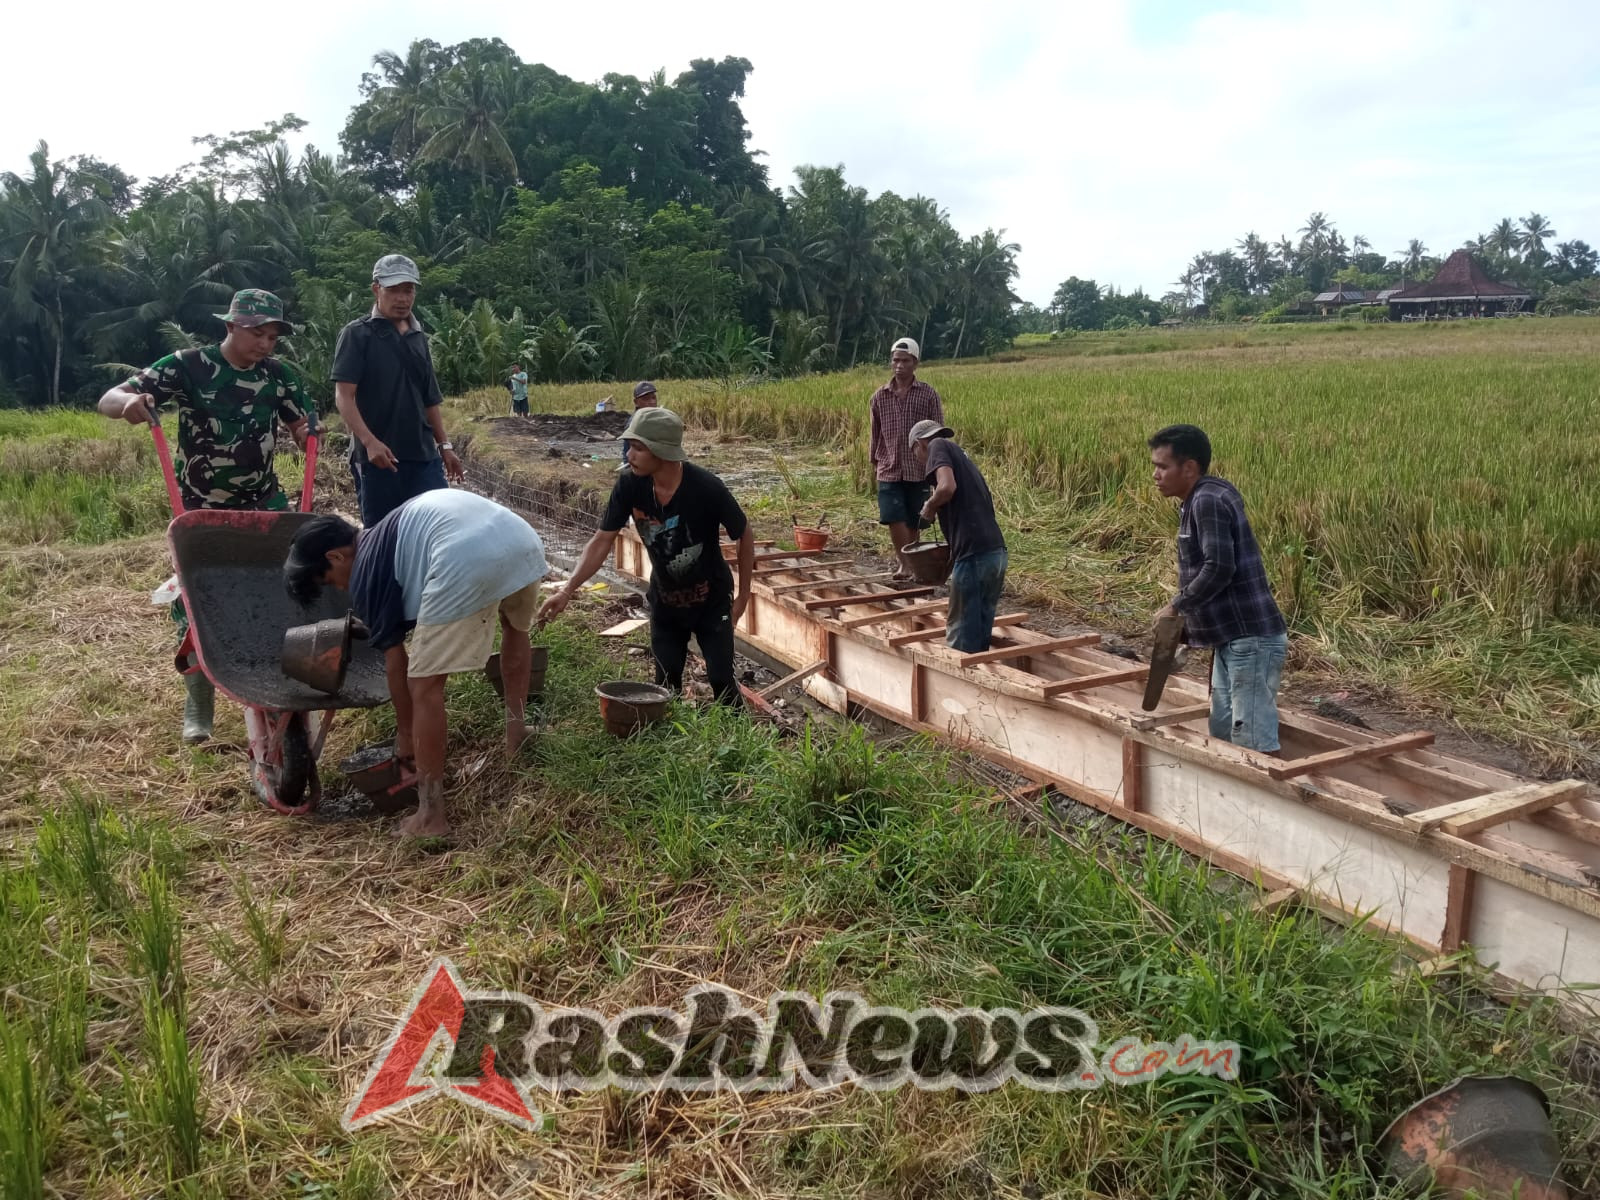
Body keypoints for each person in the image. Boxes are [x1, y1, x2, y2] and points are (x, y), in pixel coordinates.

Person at [99, 287, 311, 745]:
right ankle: (199, 695)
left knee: (290, 582)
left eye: (273, 336)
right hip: (200, 502)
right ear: (231, 325)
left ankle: (285, 677)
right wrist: (132, 405)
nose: (265, 343)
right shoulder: (187, 365)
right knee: (194, 598)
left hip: (263, 500)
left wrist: (303, 430)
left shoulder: (279, 375)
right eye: (257, 332)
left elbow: (302, 422)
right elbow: (110, 398)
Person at [282, 490, 548, 838]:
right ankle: (517, 735)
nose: (340, 586)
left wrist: (406, 734)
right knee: (516, 629)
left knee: (424, 685)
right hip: (521, 539)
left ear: (336, 555)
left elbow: (397, 663)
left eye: (331, 579)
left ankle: (430, 815)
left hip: (465, 557)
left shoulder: (365, 573)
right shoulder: (386, 531)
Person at [541, 408, 753, 705]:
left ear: (661, 451)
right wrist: (567, 590)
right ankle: (673, 744)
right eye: (630, 446)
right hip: (665, 601)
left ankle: (737, 748)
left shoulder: (706, 488)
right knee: (665, 685)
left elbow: (744, 533)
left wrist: (743, 597)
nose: (629, 455)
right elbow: (602, 539)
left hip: (711, 600)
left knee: (722, 681)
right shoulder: (630, 486)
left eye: (638, 448)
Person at [1148, 424, 1288, 755]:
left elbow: (1219, 568)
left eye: (1163, 466)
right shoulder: (1197, 499)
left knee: (1252, 737)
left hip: (1250, 640)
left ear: (1190, 467)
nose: (1155, 474)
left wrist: (1177, 606)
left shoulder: (1207, 501)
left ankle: (1264, 801)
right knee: (1224, 728)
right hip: (1232, 640)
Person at [332, 254, 464, 527]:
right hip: (379, 460)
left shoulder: (418, 337)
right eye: (394, 290)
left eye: (408, 290)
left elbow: (430, 398)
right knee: (383, 535)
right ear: (376, 289)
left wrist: (445, 446)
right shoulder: (357, 334)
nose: (402, 298)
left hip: (423, 455)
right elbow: (344, 396)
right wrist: (369, 442)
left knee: (434, 530)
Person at [909, 420, 1007, 652]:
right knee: (979, 635)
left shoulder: (937, 446)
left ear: (918, 444)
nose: (919, 460)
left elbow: (946, 488)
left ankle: (954, 686)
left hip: (974, 557)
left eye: (914, 453)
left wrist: (930, 506)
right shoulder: (961, 458)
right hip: (996, 555)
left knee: (961, 640)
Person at [868, 337, 944, 578]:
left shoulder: (928, 394)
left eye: (905, 361)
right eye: (895, 360)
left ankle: (914, 563)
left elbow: (938, 431)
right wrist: (873, 462)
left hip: (918, 467)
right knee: (892, 516)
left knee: (914, 519)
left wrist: (937, 464)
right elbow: (875, 433)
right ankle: (904, 563)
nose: (899, 365)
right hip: (888, 465)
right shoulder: (879, 397)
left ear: (915, 363)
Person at [622, 380, 659, 462]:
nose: (652, 402)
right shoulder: (634, 424)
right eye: (646, 399)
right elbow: (629, 455)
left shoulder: (657, 417)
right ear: (636, 402)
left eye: (653, 398)